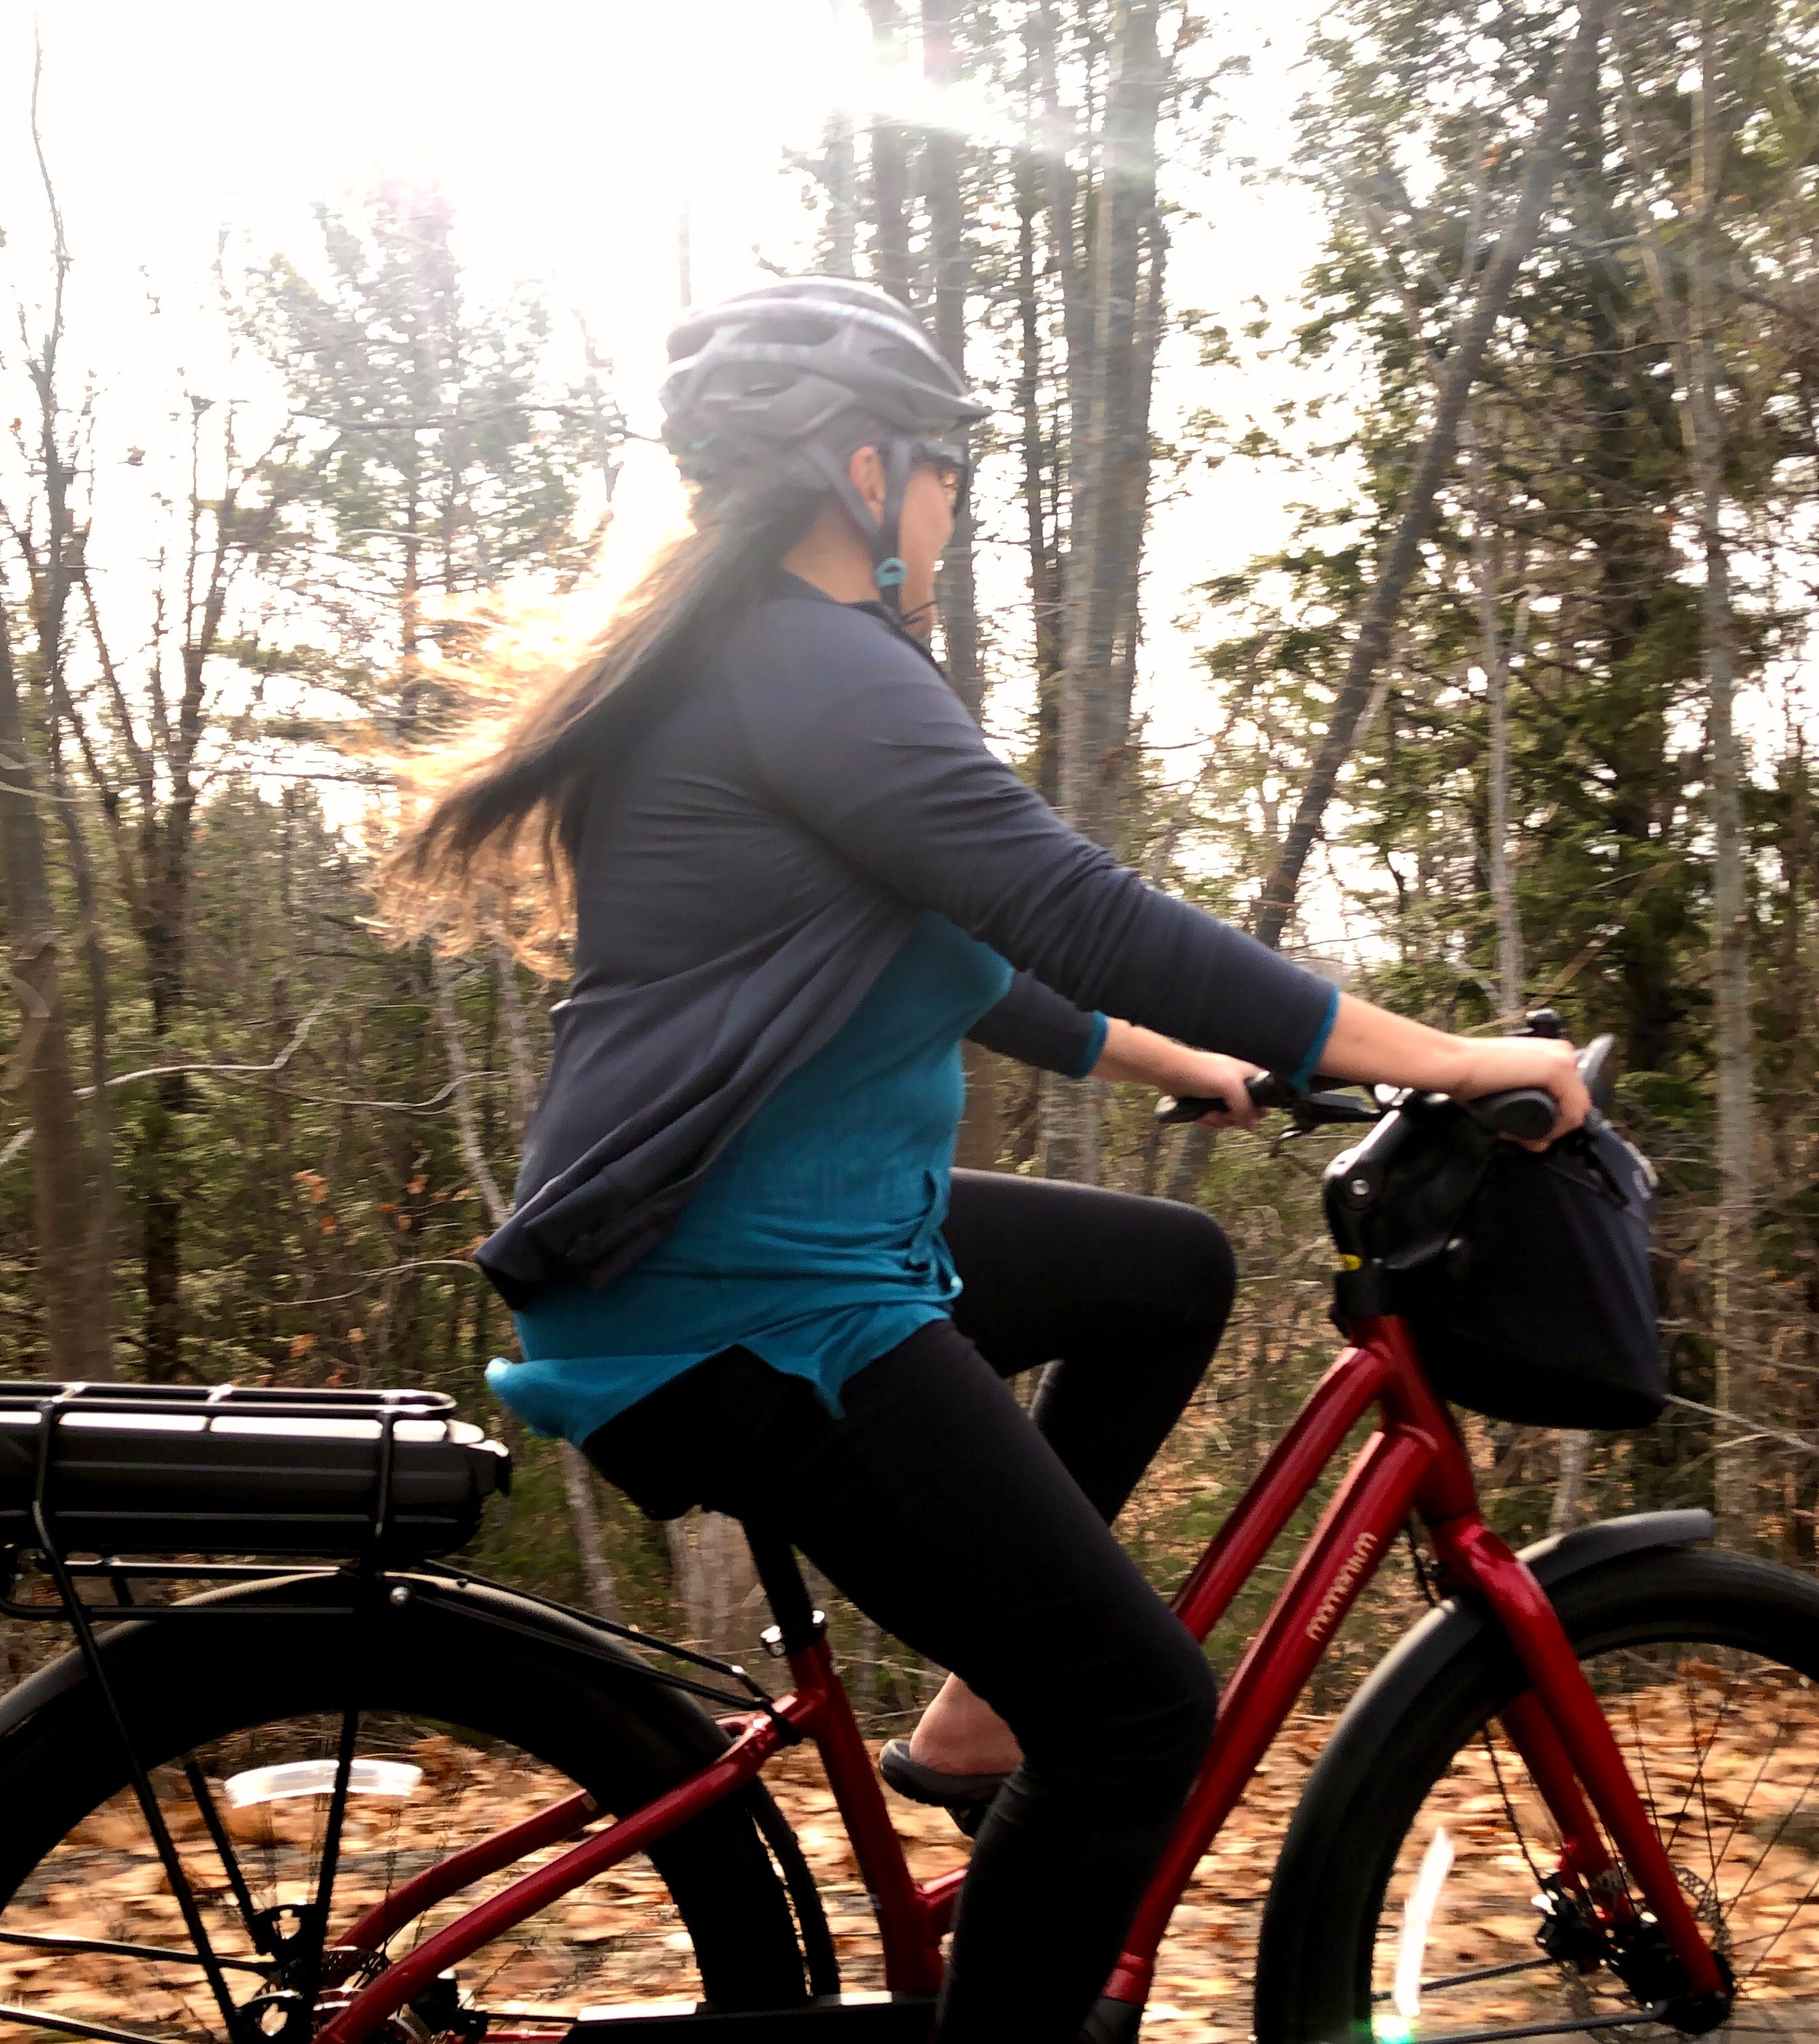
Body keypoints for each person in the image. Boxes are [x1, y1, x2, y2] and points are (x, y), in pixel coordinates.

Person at [385, 278, 1586, 2044]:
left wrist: (1188, 1060)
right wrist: (1454, 1057)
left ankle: (969, 1719)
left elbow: (955, 951)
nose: (952, 505)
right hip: (749, 1293)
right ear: (863, 471)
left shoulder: (754, 670)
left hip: (774, 1244)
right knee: (1139, 1717)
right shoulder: (812, 666)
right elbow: (1072, 905)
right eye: (946, 468)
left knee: (1167, 1275)